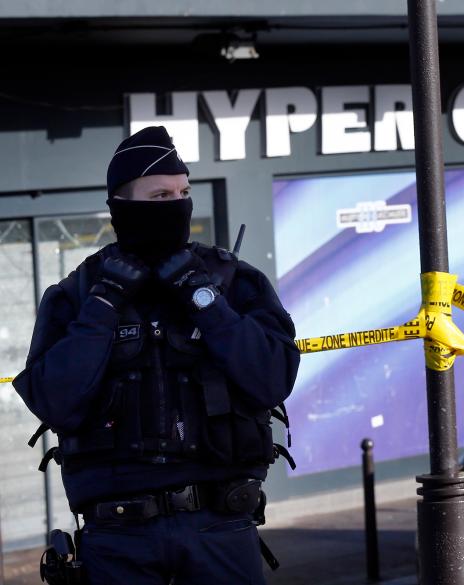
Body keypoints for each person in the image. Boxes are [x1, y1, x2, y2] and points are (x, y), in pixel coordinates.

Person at [13, 126, 300, 584]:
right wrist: (103, 308)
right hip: (117, 538)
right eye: (160, 194)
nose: (177, 204)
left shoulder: (232, 281)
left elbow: (272, 378)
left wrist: (203, 297)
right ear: (121, 206)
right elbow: (54, 402)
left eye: (183, 192)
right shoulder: (77, 293)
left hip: (221, 526)